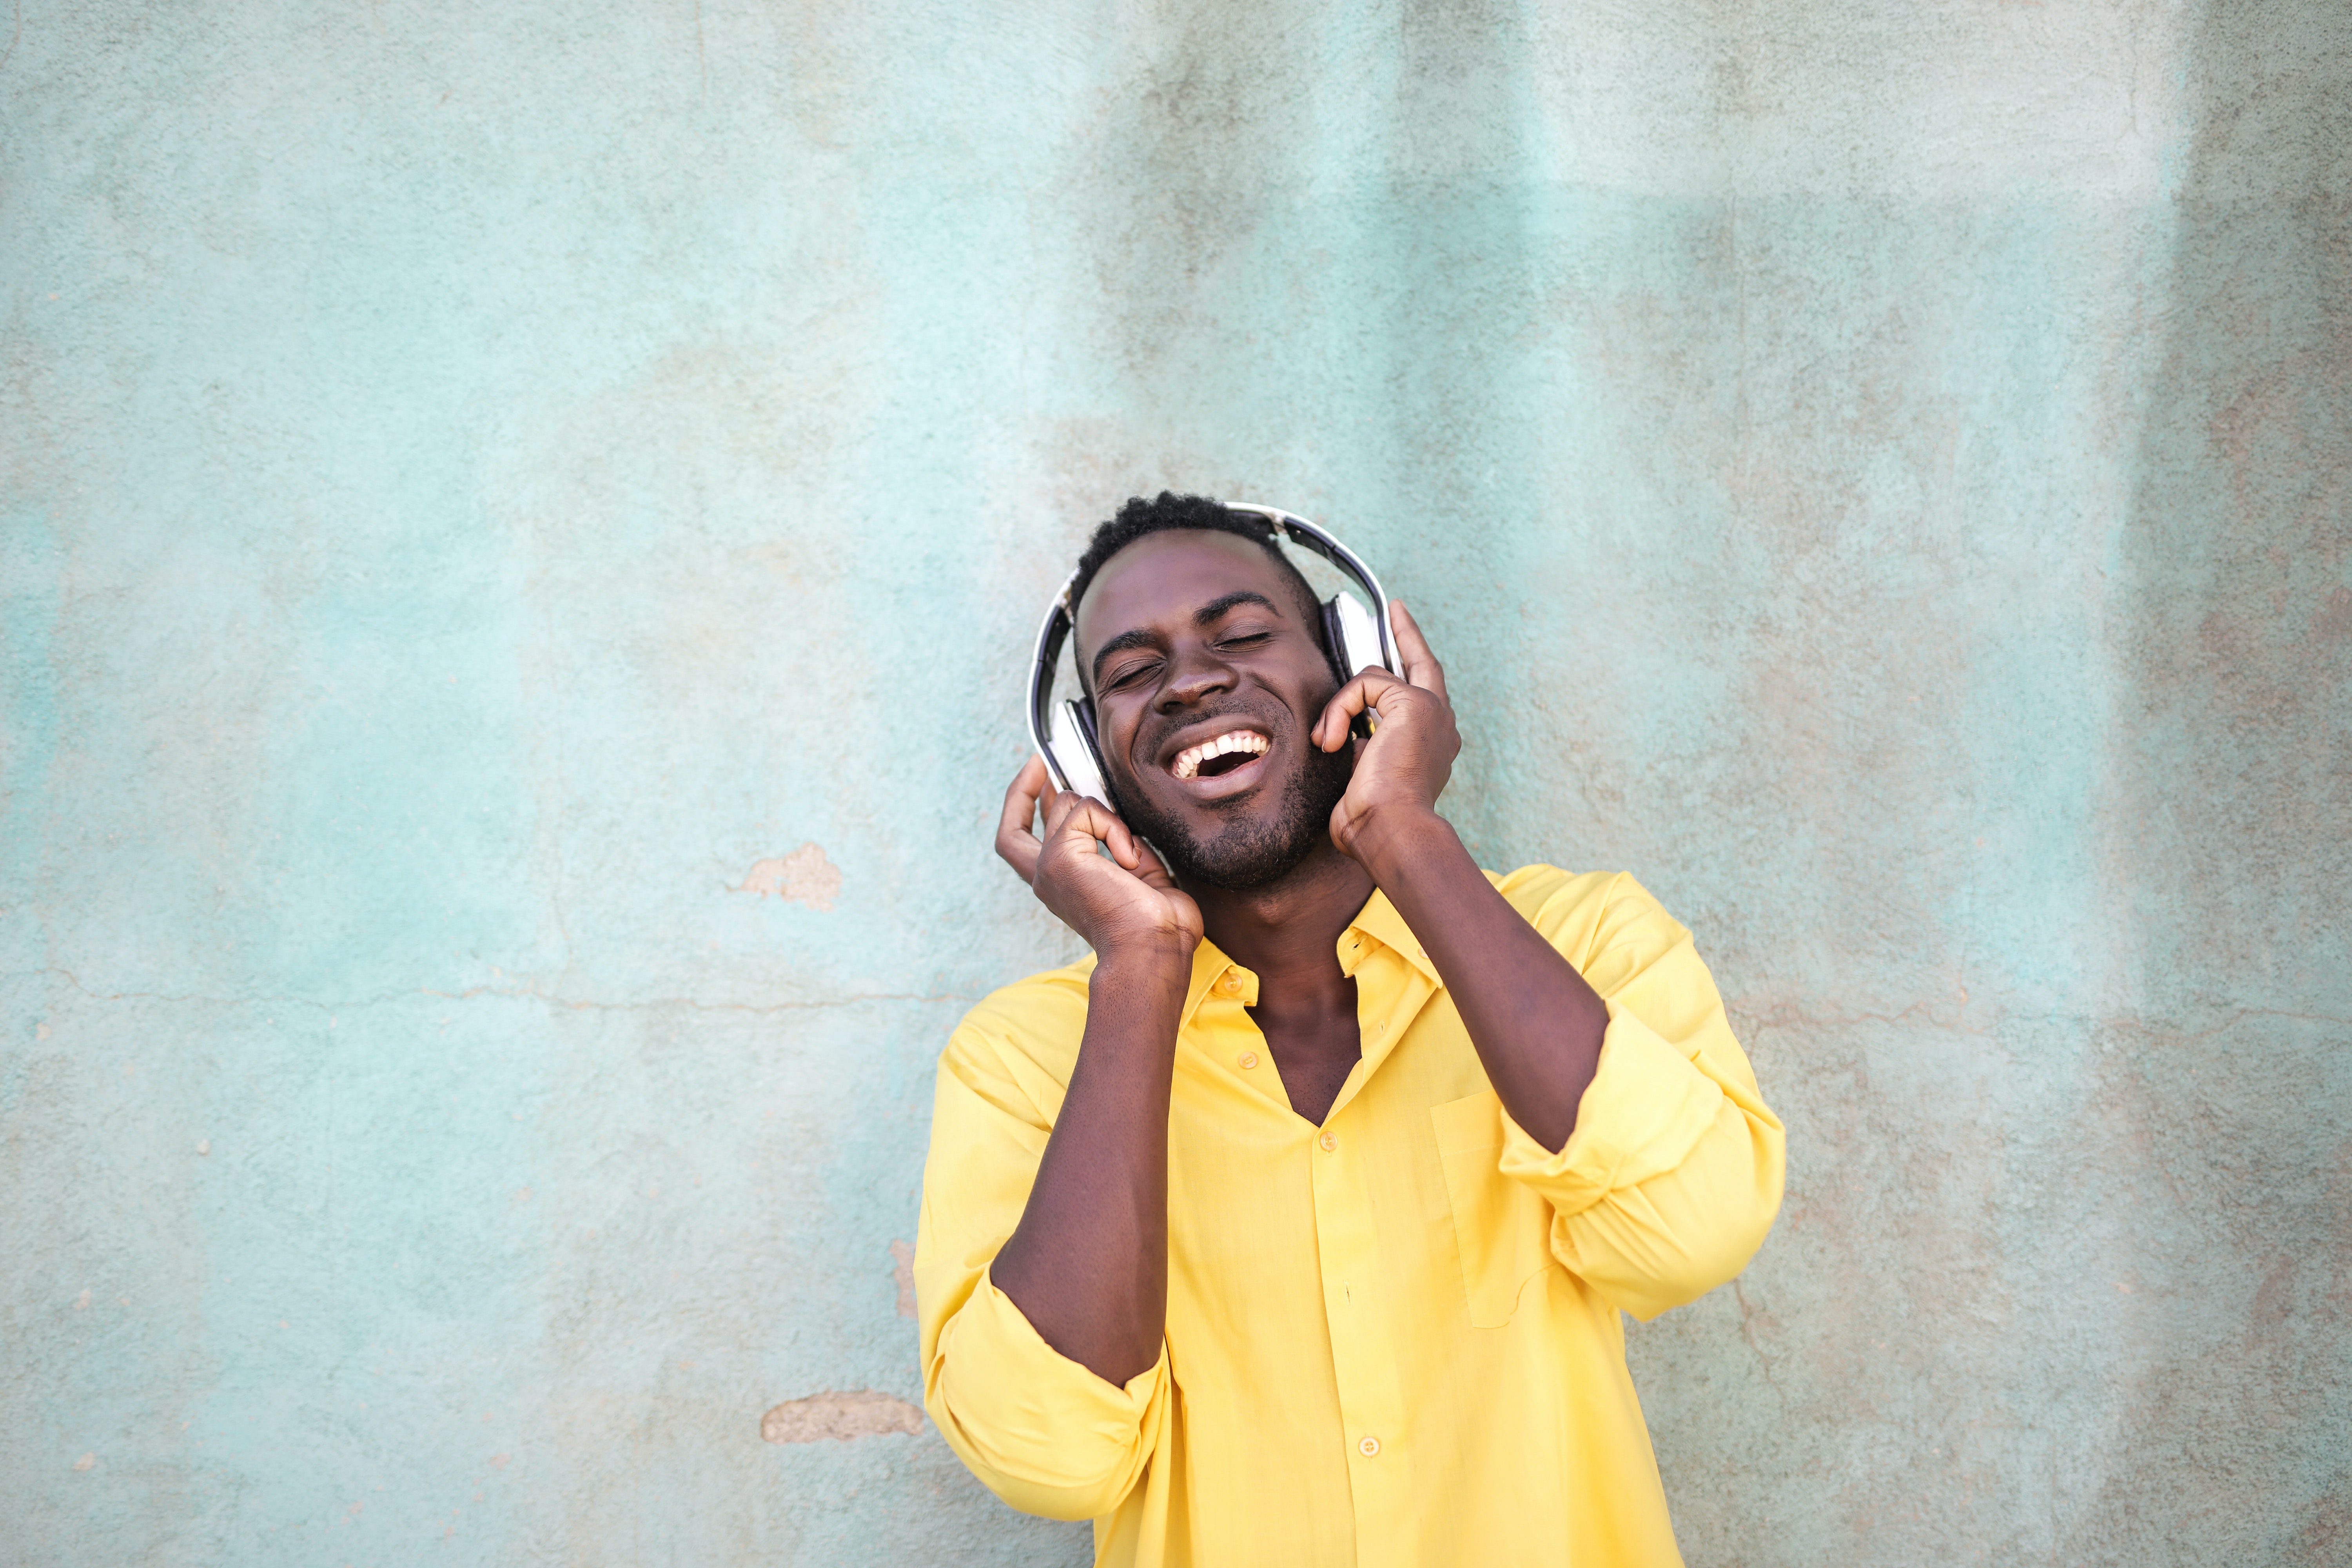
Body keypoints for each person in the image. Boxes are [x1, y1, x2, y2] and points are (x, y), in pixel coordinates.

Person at [913, 492, 1785, 1567]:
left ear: (1355, 664)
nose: (1191, 681)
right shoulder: (1023, 1062)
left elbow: (1696, 1234)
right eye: (1135, 672)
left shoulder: (1587, 941)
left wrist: (1398, 828)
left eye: (1240, 636)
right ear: (1088, 760)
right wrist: (1140, 969)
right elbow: (1047, 1459)